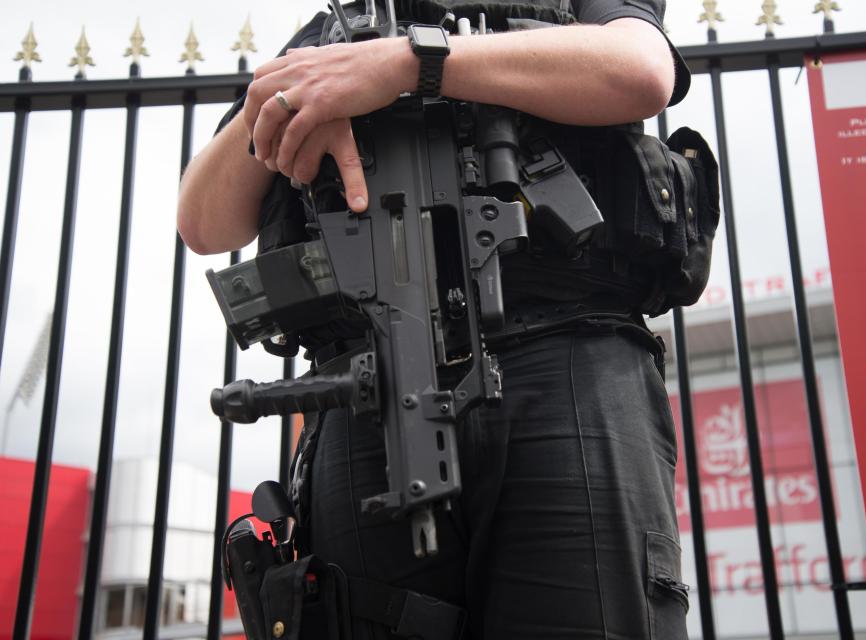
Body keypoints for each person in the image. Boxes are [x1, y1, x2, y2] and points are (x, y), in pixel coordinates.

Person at [178, 0, 695, 637]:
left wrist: (403, 66)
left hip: (569, 363)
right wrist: (297, 86)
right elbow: (203, 222)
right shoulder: (332, 34)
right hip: (372, 386)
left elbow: (639, 71)